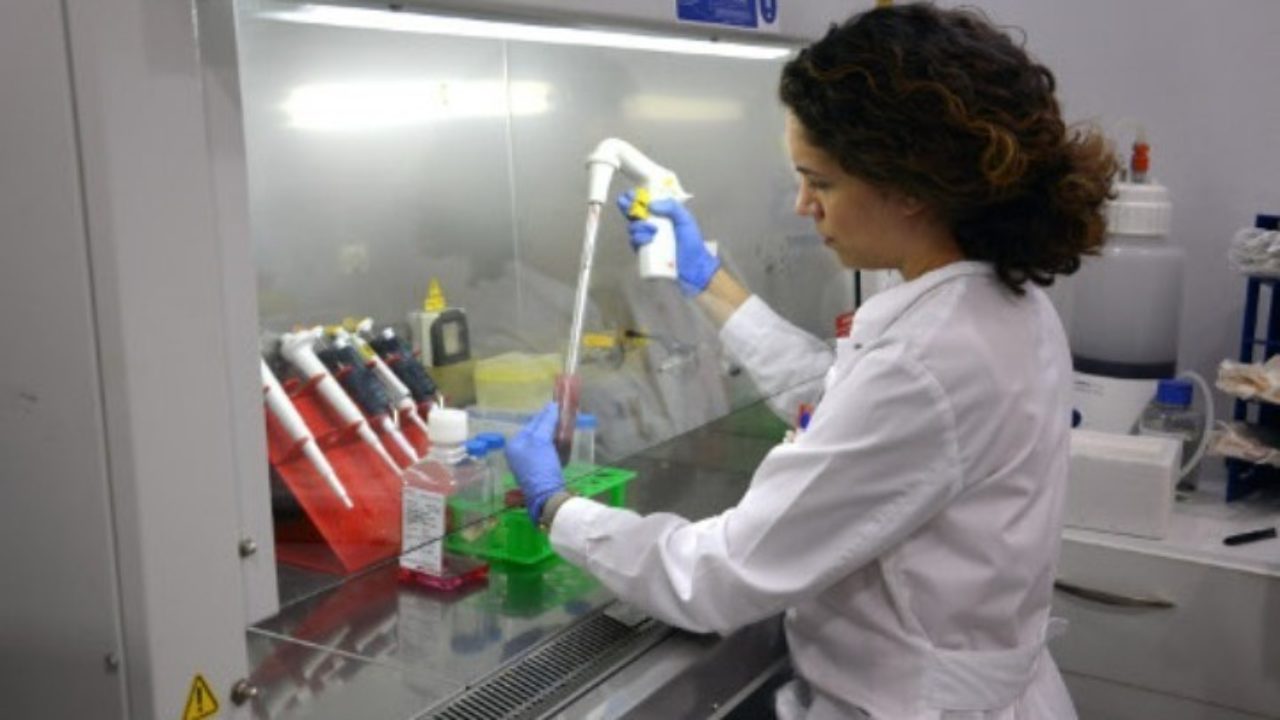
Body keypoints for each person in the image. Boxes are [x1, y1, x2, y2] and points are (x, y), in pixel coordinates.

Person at [506, 4, 1116, 718]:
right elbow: (841, 401)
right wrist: (706, 279)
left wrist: (557, 508)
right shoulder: (999, 302)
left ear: (909, 186)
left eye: (820, 182)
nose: (803, 205)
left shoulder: (928, 359)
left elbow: (720, 576)